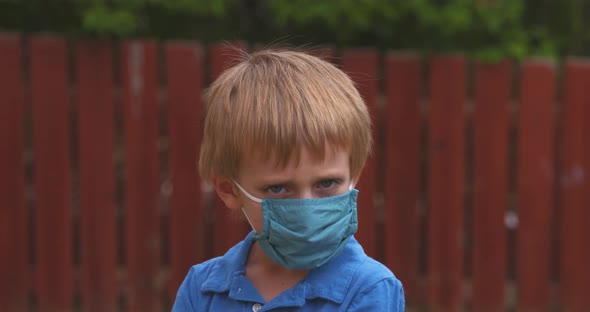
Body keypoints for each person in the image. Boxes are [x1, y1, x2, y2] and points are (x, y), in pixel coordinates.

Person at [172, 49, 405, 311]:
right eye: (279, 188)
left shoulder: (369, 289)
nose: (306, 208)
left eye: (326, 183)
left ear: (354, 174)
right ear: (229, 189)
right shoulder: (203, 289)